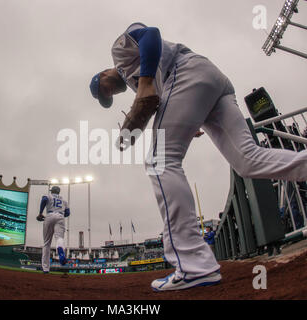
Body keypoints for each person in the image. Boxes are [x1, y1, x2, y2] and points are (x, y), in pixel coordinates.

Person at [89, 22, 307, 291]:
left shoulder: (119, 55)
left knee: (160, 161)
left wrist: (147, 83)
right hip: (209, 81)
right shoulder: (137, 81)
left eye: (105, 90)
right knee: (248, 160)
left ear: (102, 75)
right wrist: (188, 122)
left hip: (185, 70)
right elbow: (160, 100)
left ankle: (195, 266)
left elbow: (150, 34)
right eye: (106, 97)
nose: (109, 94)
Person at [36, 186, 70, 274]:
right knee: (59, 238)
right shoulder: (64, 200)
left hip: (49, 215)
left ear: (52, 191)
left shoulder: (48, 195)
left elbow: (43, 200)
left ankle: (46, 269)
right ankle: (60, 251)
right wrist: (60, 216)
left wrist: (40, 213)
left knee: (47, 243)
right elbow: (68, 213)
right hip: (60, 216)